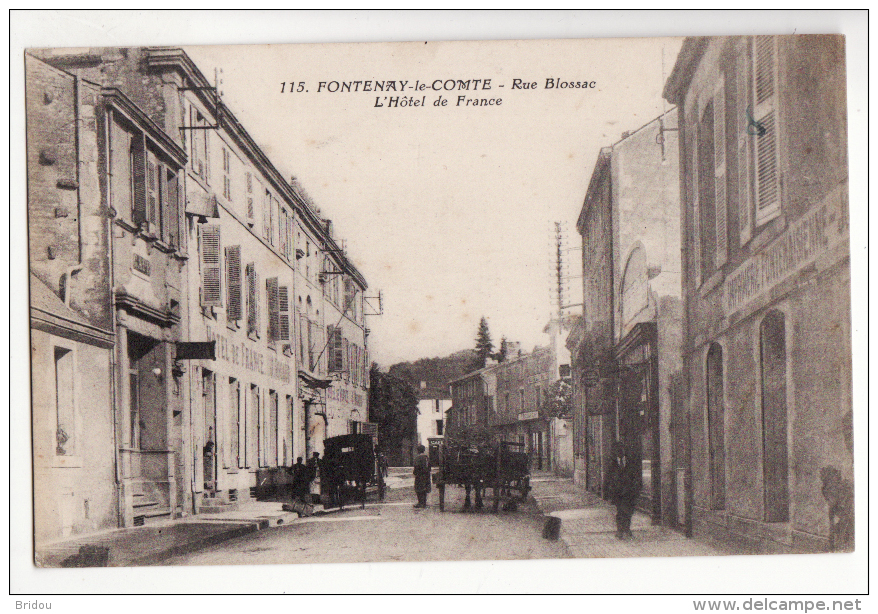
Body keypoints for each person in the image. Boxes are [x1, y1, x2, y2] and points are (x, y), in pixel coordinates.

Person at [604, 441, 641, 539]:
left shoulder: (631, 462)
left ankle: (627, 529)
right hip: (617, 493)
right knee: (620, 511)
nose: (620, 451)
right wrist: (607, 493)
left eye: (621, 449)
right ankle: (620, 530)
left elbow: (636, 477)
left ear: (624, 451)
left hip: (629, 492)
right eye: (617, 450)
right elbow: (607, 478)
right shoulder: (612, 463)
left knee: (629, 511)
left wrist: (636, 490)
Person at [413, 444, 431, 509]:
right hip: (426, 475)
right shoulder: (426, 457)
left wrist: (415, 473)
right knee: (425, 488)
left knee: (418, 489)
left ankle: (420, 503)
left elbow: (416, 467)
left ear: (418, 451)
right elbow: (429, 467)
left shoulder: (417, 458)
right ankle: (424, 503)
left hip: (419, 475)